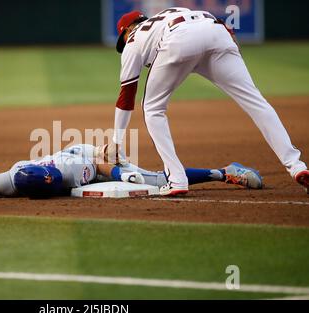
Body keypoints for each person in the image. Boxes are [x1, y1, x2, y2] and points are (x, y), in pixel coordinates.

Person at [112, 8, 309, 196]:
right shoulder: (167, 14)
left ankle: (177, 179)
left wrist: (117, 143)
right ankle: (297, 166)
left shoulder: (133, 40)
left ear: (129, 29)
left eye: (123, 38)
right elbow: (213, 26)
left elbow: (127, 96)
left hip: (180, 38)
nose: (124, 43)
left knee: (152, 108)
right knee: (256, 101)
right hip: (216, 30)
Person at [0, 144, 263, 201]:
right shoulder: (13, 179)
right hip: (77, 161)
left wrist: (128, 174)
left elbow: (105, 167)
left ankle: (223, 172)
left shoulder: (70, 171)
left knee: (156, 180)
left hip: (90, 157)